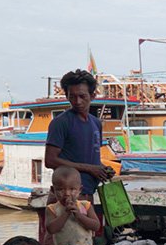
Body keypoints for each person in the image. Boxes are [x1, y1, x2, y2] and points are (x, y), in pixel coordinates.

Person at [44, 69, 115, 200]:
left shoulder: (96, 123)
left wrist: (103, 169)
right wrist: (91, 169)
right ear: (67, 96)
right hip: (66, 197)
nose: (77, 101)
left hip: (88, 193)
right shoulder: (60, 123)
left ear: (92, 96)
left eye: (82, 96)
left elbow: (91, 161)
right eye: (72, 96)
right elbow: (50, 160)